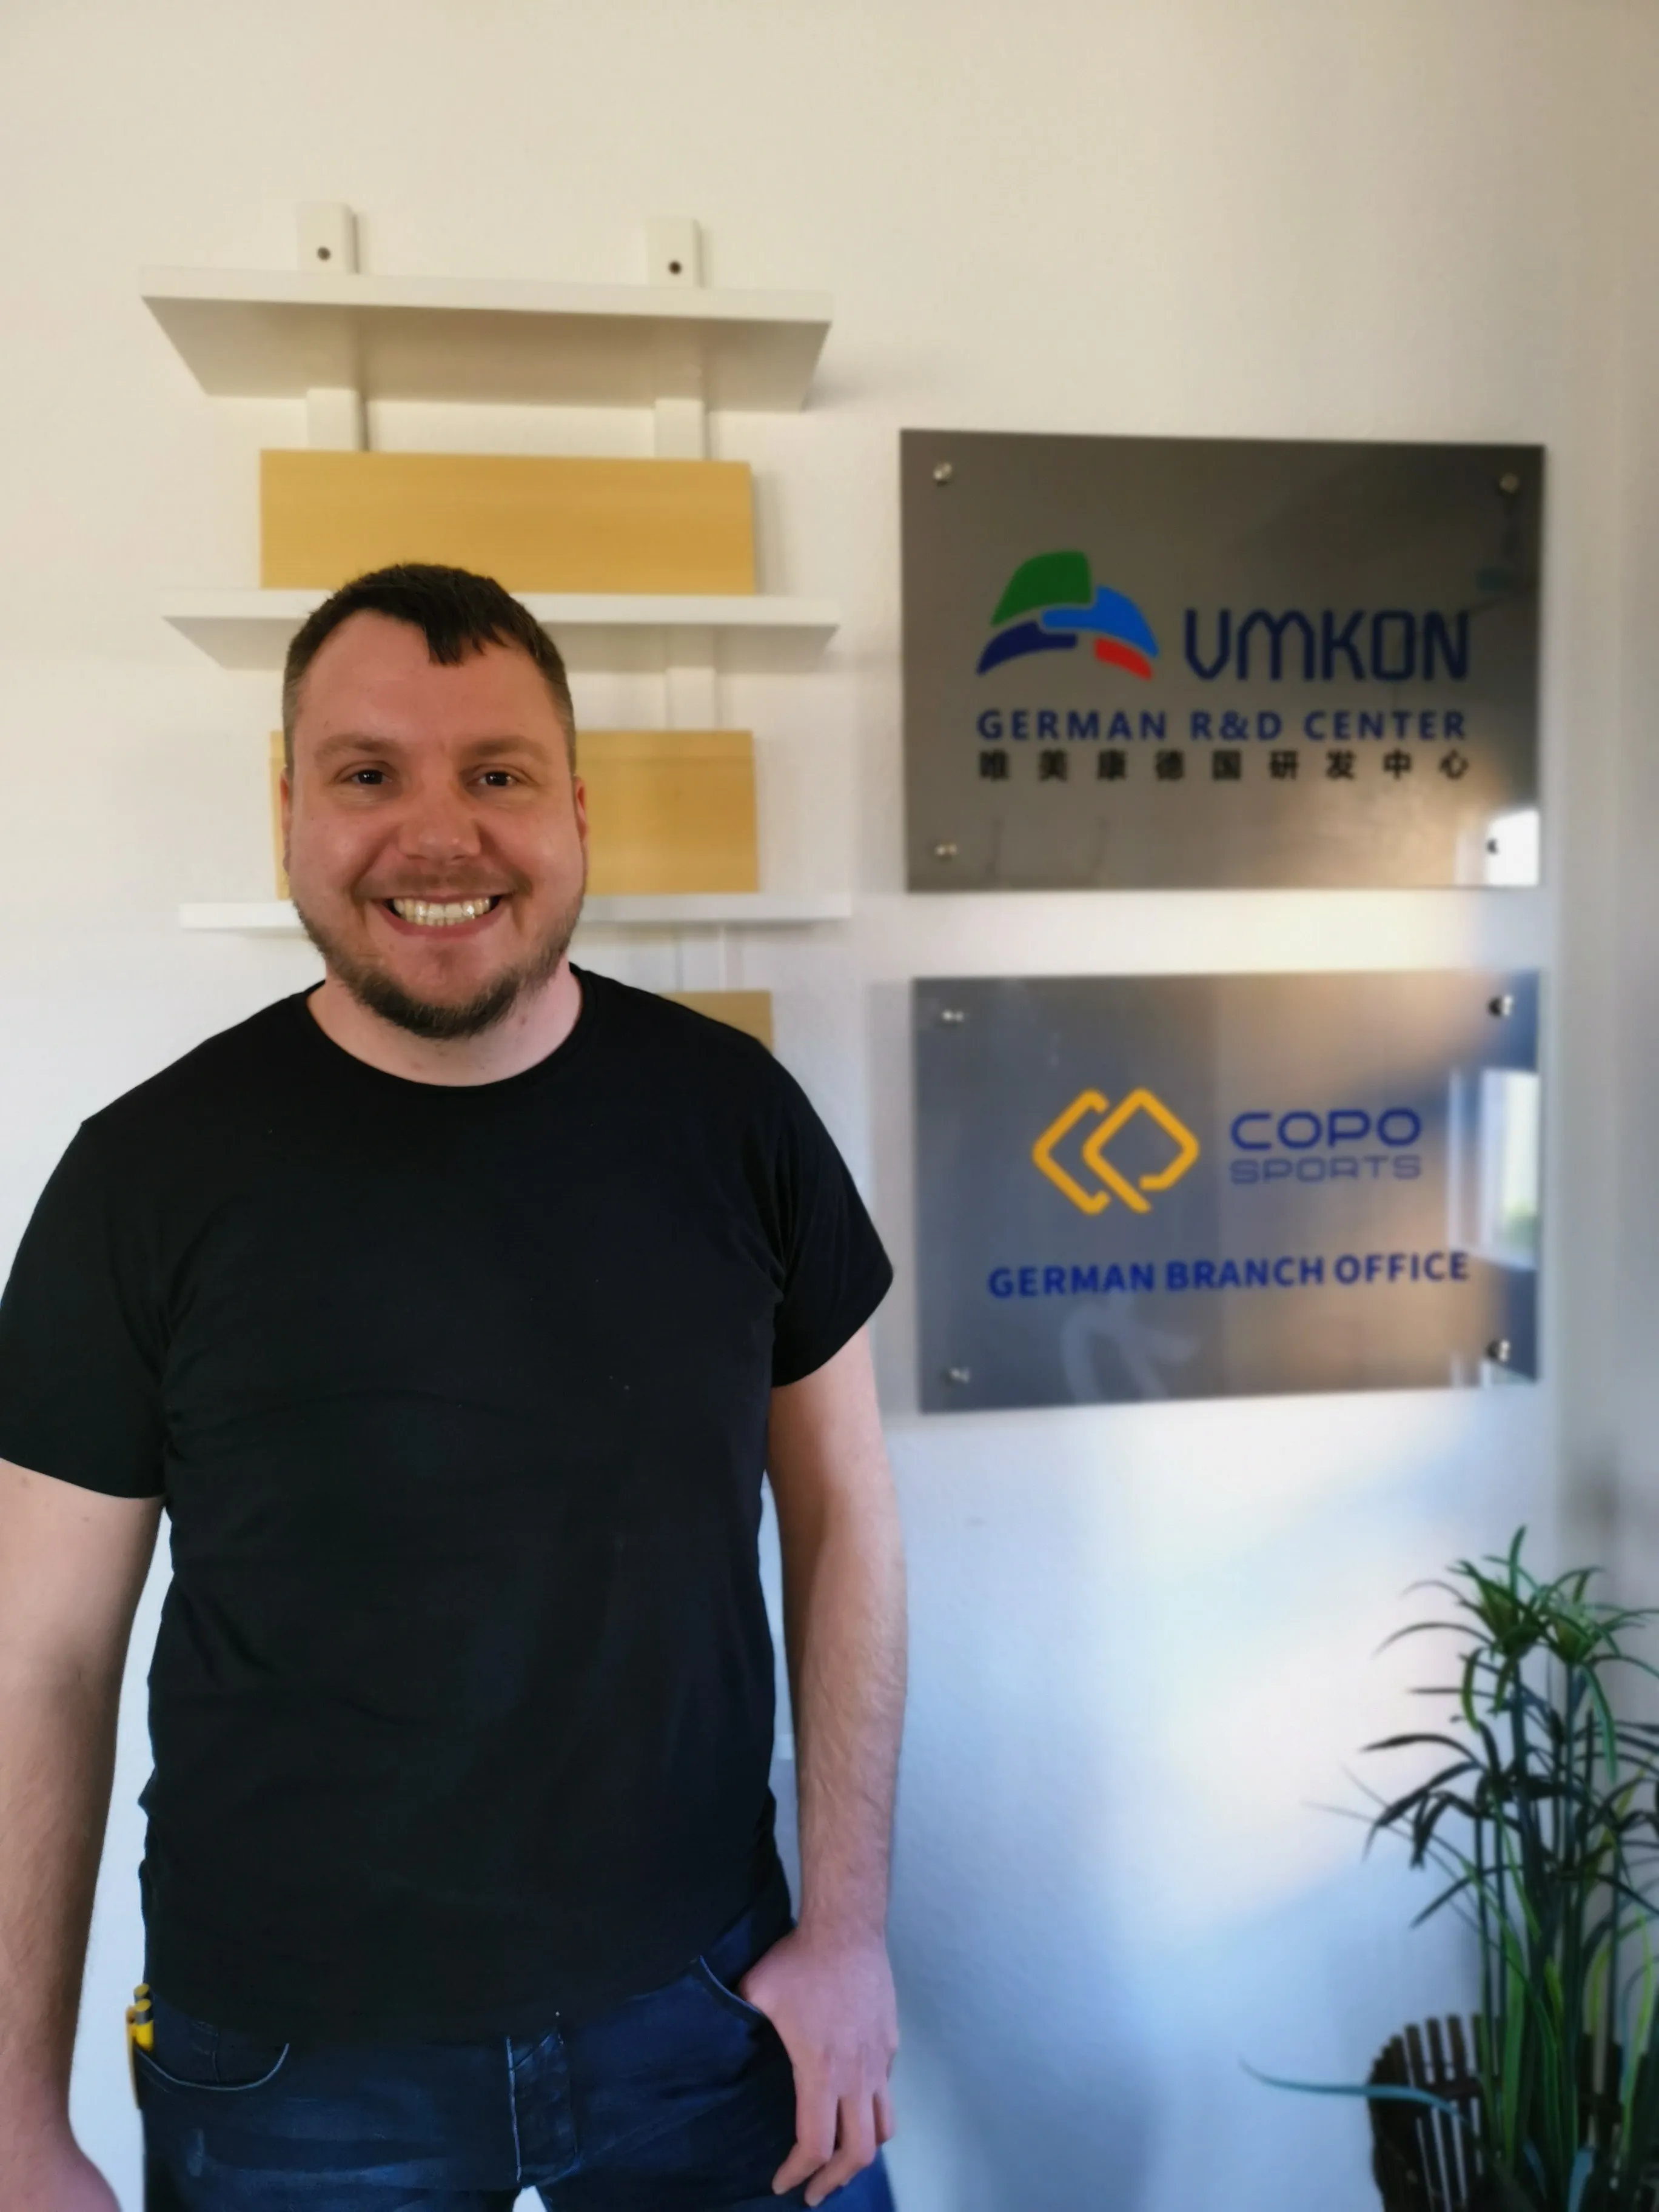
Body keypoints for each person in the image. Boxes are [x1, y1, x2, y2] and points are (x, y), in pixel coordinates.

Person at [0, 565, 906, 2211]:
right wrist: (13, 2121)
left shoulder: (739, 1122)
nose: (440, 836)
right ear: (288, 809)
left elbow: (847, 1520)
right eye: (369, 773)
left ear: (575, 810)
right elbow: (40, 1656)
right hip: (291, 2064)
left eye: (496, 772)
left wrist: (847, 1934)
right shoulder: (139, 1182)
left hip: (709, 2009)